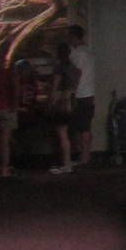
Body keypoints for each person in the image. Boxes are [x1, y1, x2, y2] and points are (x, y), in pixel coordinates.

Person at [65, 24, 96, 168]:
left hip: (81, 94)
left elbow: (76, 74)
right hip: (88, 93)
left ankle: (84, 157)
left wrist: (72, 91)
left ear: (73, 36)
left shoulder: (79, 54)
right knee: (84, 125)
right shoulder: (87, 52)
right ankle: (85, 155)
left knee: (82, 127)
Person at [48, 43, 80, 173]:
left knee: (61, 134)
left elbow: (54, 88)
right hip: (71, 101)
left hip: (61, 102)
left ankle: (66, 164)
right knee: (68, 134)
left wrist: (50, 103)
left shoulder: (59, 68)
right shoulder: (74, 68)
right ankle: (69, 161)